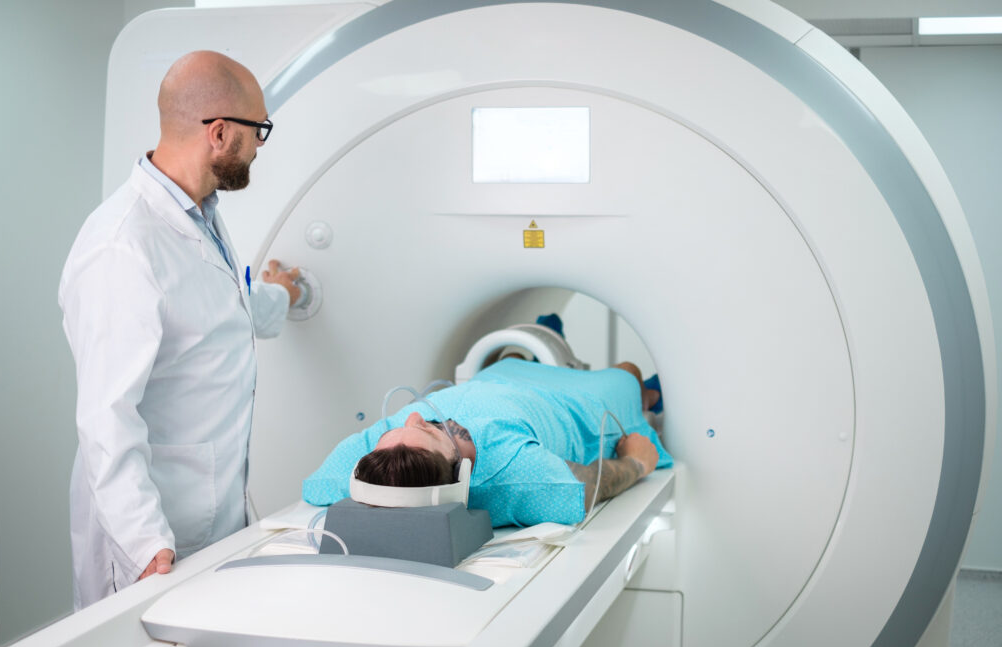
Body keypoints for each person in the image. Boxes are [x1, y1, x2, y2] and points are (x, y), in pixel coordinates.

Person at [60, 51, 301, 608]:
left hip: (212, 517)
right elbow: (106, 416)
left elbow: (225, 313)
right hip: (150, 541)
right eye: (257, 130)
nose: (260, 145)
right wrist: (147, 546)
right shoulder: (122, 246)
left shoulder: (202, 216)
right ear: (219, 133)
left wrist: (283, 294)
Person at [303, 359, 673, 527]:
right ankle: (648, 396)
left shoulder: (374, 461)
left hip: (498, 377)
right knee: (626, 372)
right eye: (433, 430)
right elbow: (586, 486)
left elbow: (315, 485)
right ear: (460, 473)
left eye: (404, 425)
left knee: (510, 355)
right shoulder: (516, 476)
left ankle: (543, 335)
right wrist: (636, 463)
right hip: (572, 404)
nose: (414, 416)